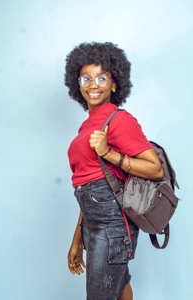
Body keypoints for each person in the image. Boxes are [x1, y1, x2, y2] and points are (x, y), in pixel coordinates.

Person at [65, 42, 164, 300]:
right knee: (118, 288)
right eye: (86, 78)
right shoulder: (87, 126)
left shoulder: (119, 120)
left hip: (113, 226)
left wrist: (109, 153)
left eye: (101, 77)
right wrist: (78, 239)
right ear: (78, 84)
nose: (93, 84)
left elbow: (155, 169)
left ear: (114, 83)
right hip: (94, 222)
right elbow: (90, 186)